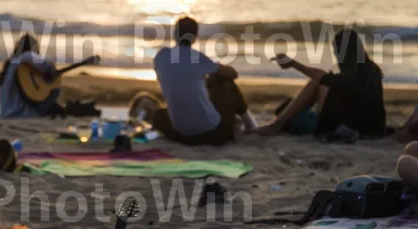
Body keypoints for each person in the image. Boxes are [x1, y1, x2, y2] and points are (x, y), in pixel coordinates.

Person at [254, 29, 386, 138]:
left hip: (348, 128)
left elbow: (322, 78)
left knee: (315, 85)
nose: (334, 55)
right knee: (292, 105)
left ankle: (275, 126)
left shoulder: (355, 76)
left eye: (335, 50)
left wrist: (293, 63)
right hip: (365, 128)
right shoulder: (371, 70)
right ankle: (278, 123)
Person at [152, 17, 257, 146]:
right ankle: (250, 123)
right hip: (212, 133)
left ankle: (245, 122)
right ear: (195, 37)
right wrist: (217, 68)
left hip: (181, 133)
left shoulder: (161, 56)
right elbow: (233, 74)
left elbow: (180, 77)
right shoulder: (198, 57)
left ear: (175, 34)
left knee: (158, 115)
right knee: (224, 80)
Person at [0, 34, 60, 118]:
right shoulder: (26, 56)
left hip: (5, 113)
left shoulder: (11, 63)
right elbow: (47, 66)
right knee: (55, 87)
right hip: (20, 113)